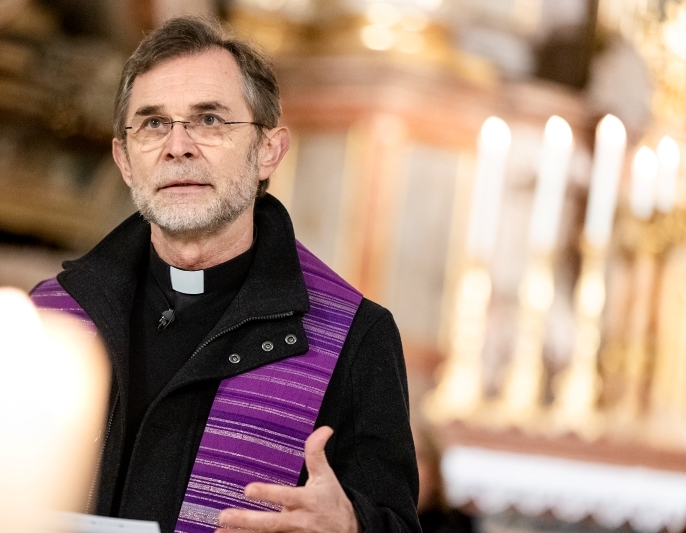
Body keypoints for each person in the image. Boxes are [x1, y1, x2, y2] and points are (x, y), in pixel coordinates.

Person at [31, 16, 420, 533]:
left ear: (268, 152)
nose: (177, 146)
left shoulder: (353, 338)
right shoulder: (47, 316)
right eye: (153, 123)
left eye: (209, 120)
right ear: (124, 159)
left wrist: (352, 526)